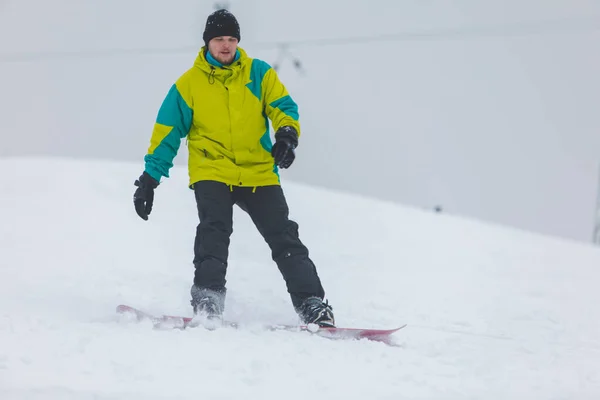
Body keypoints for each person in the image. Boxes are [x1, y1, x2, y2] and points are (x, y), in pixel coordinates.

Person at [132, 9, 335, 327]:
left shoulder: (259, 74)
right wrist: (149, 178)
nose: (226, 46)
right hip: (212, 170)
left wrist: (286, 134)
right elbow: (167, 133)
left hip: (258, 170)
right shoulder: (188, 85)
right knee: (214, 231)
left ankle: (313, 304)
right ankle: (208, 302)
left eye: (231, 39)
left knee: (283, 236)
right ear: (207, 44)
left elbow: (283, 107)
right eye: (219, 40)